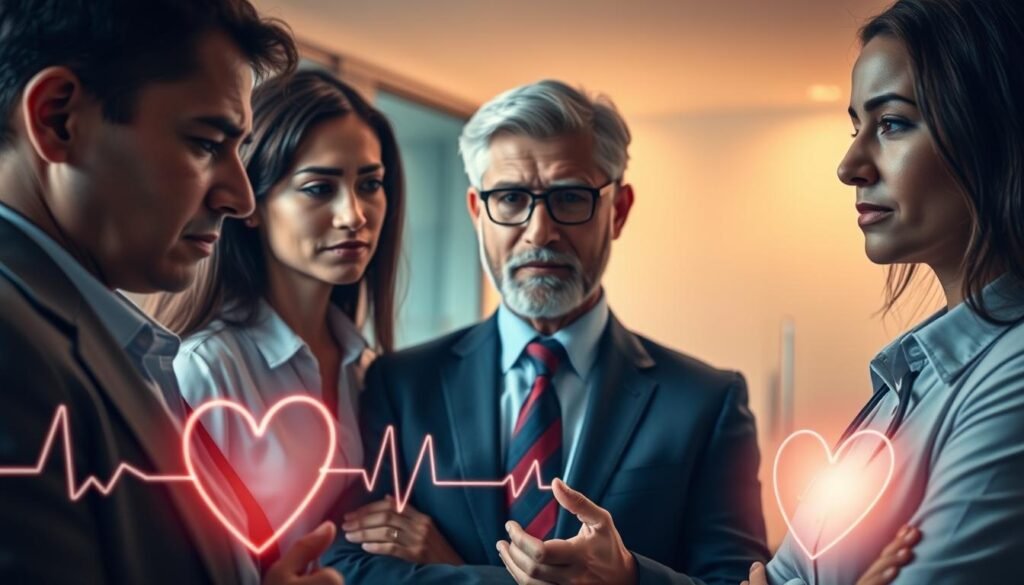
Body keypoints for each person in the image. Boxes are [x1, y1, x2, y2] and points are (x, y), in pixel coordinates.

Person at [324, 79, 770, 585]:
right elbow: (348, 566)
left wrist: (626, 577)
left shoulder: (705, 403)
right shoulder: (399, 384)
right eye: (511, 199)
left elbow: (738, 581)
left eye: (570, 197)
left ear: (617, 210)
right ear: (476, 211)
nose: (539, 231)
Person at [0, 1, 341, 583]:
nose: (241, 197)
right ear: (59, 119)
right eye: (207, 143)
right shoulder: (14, 350)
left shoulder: (113, 341)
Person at [745, 0, 1024, 583]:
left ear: (996, 133)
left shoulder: (1014, 377)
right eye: (857, 126)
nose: (850, 165)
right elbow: (781, 575)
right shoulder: (908, 378)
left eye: (892, 123)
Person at [146, 68, 406, 559]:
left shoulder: (368, 368)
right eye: (317, 188)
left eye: (369, 184)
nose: (354, 215)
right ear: (253, 203)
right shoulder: (203, 370)